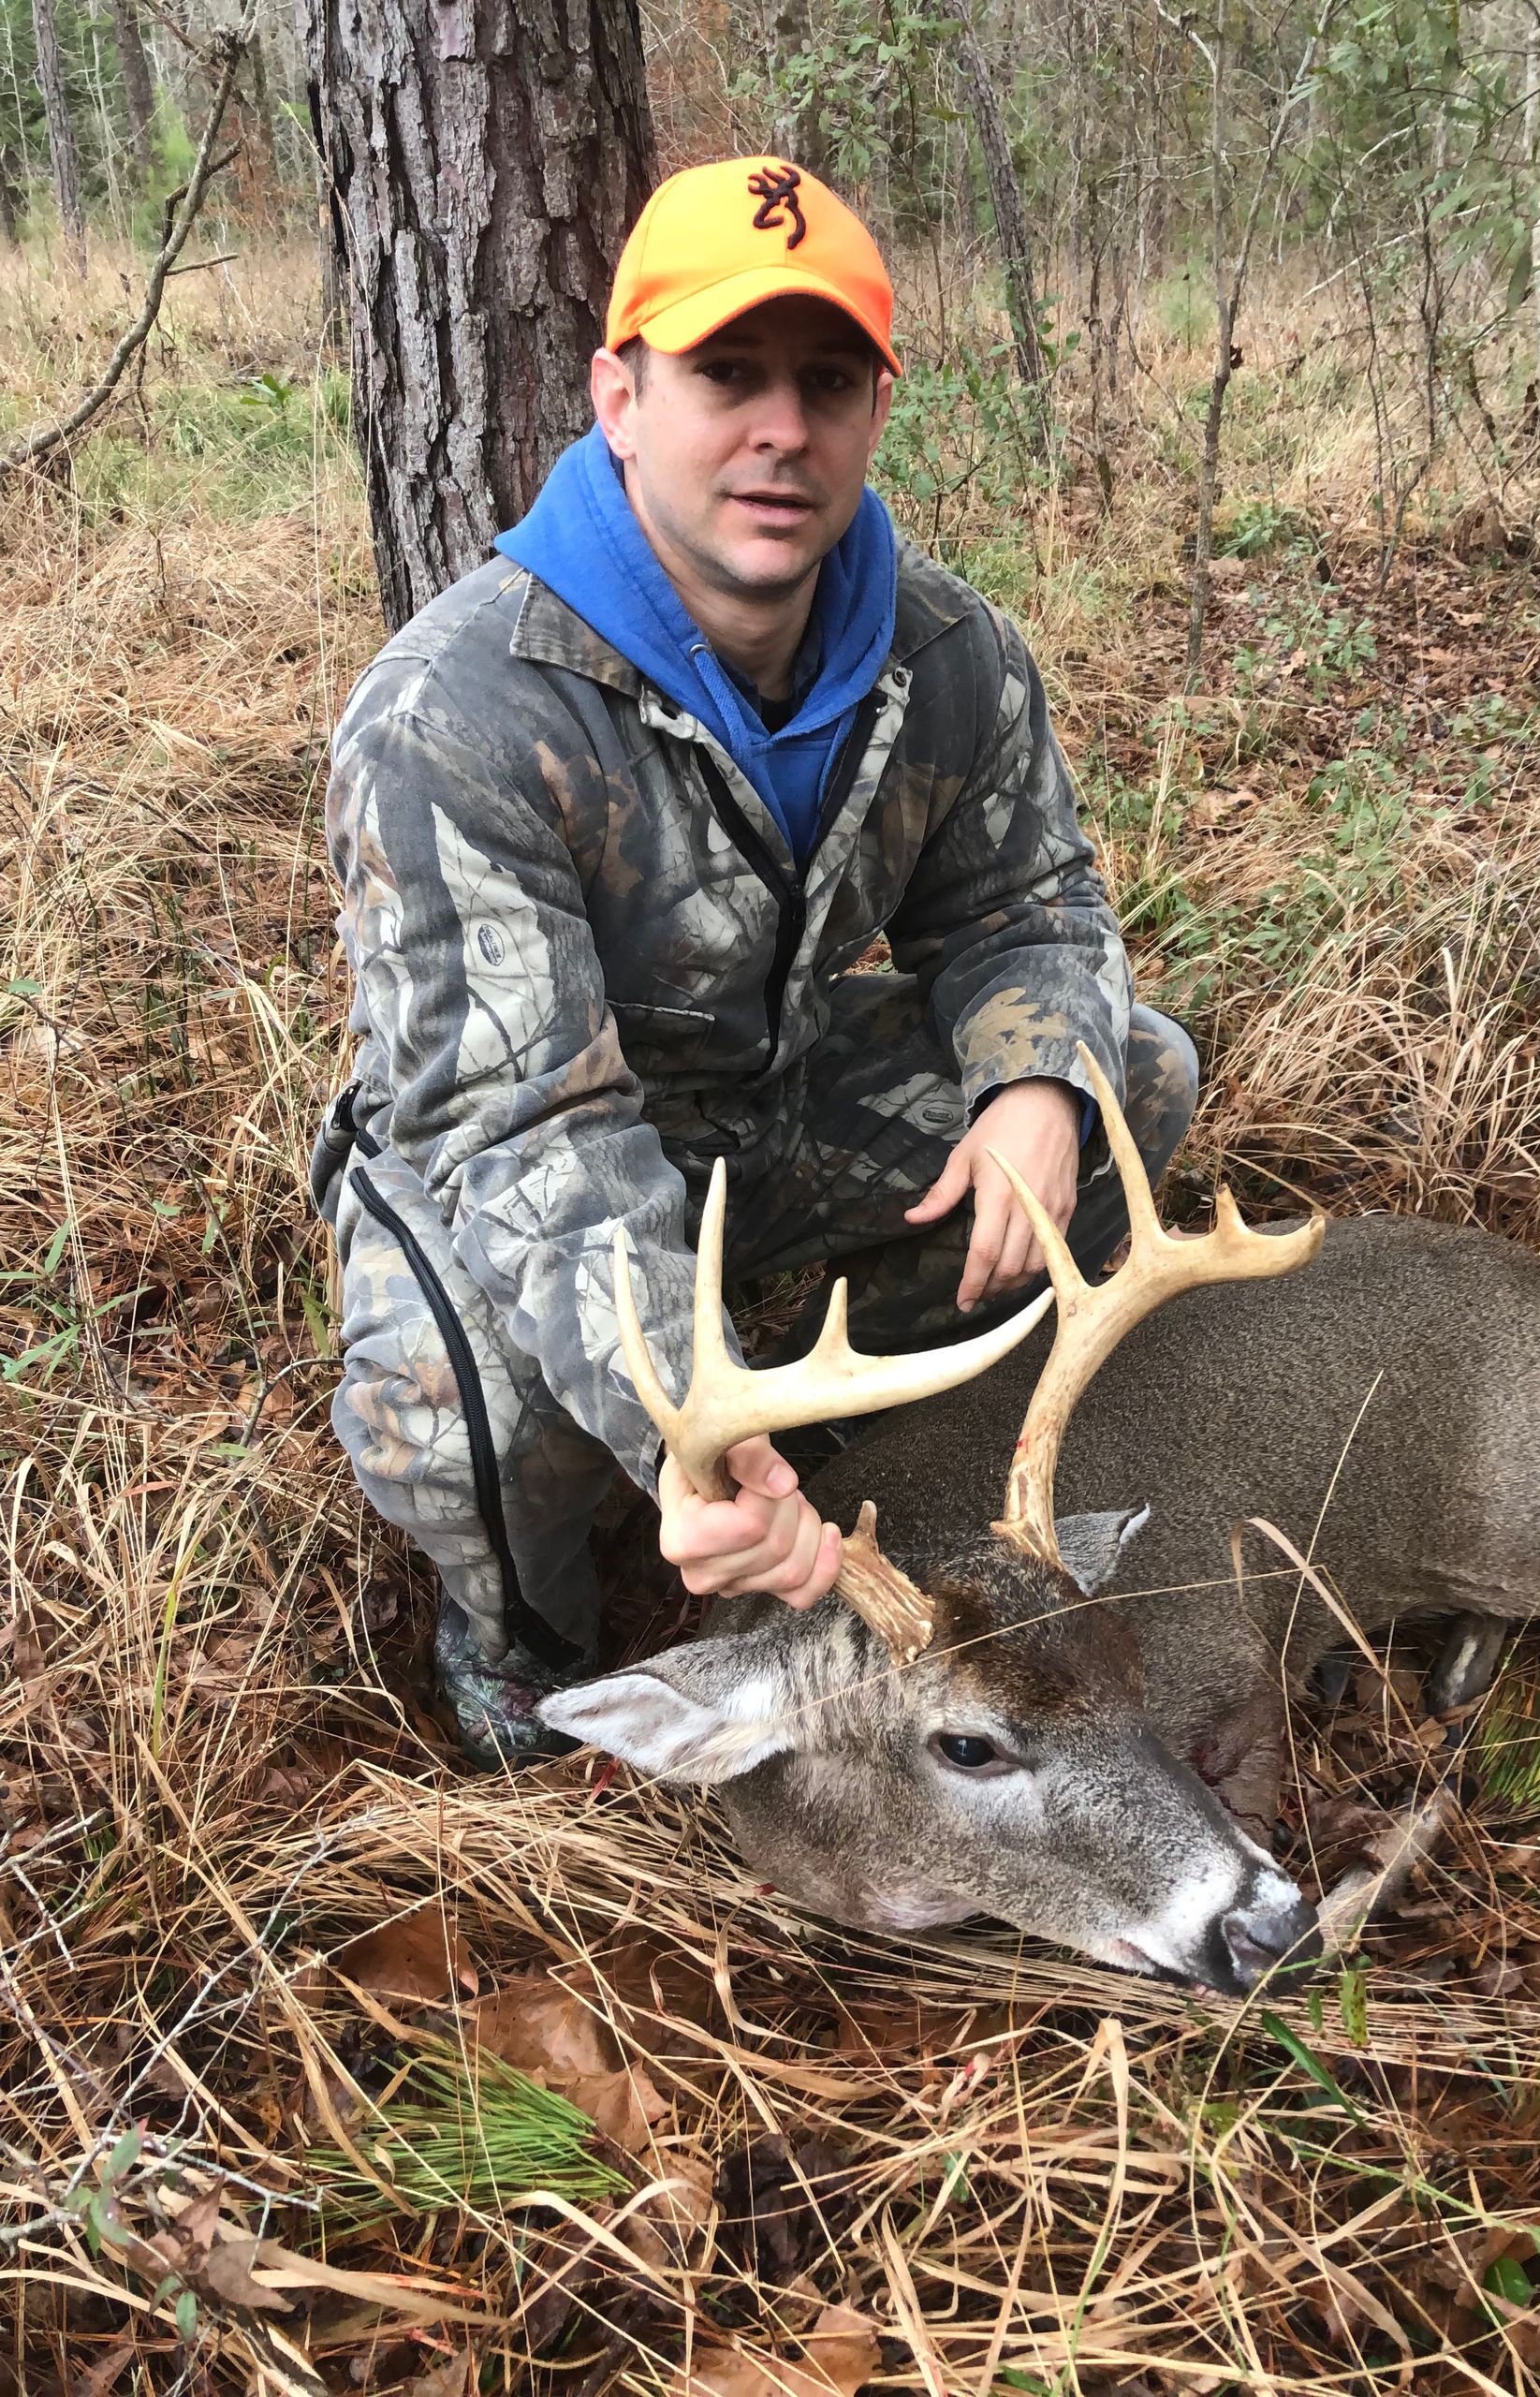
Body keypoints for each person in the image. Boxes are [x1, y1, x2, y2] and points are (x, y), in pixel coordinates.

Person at [311, 155, 1199, 1763]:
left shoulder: (944, 653)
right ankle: (524, 1657)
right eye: (727, 374)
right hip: (519, 1165)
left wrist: (1035, 1085)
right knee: (461, 1408)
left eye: (828, 380)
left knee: (1132, 1079)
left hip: (762, 1105)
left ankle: (867, 1447)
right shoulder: (457, 714)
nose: (782, 429)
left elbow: (1031, 908)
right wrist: (686, 1440)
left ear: (873, 409)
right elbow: (521, 1132)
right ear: (621, 395)